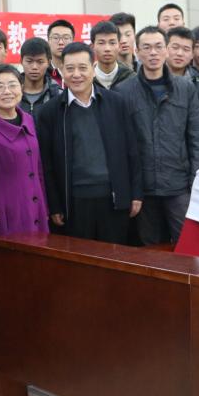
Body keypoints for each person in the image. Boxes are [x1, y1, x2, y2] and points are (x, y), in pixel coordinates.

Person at [0, 64, 49, 339]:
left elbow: (38, 169)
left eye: (13, 85)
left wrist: (45, 209)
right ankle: (3, 336)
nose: (7, 91)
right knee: (5, 280)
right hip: (4, 216)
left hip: (34, 212)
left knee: (33, 276)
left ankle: (31, 331)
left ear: (21, 88)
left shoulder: (28, 120)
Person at [36, 42, 142, 244]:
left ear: (93, 69)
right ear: (62, 71)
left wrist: (136, 193)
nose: (76, 74)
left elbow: (132, 151)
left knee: (113, 256)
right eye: (70, 68)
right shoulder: (50, 112)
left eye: (82, 68)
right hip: (74, 202)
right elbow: (47, 165)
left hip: (113, 198)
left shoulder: (116, 103)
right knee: (80, 258)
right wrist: (55, 205)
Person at [117, 28, 199, 245]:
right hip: (143, 189)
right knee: (151, 249)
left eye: (158, 47)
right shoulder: (123, 91)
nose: (153, 53)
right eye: (146, 47)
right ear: (137, 52)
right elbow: (120, 145)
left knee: (187, 245)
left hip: (179, 185)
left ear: (166, 50)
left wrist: (196, 181)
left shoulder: (185, 88)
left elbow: (198, 138)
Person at [166, 27, 199, 164]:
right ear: (165, 48)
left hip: (188, 163)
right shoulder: (152, 82)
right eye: (175, 47)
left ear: (192, 54)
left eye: (186, 49)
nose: (179, 53)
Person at [91, 20, 134, 89]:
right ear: (92, 47)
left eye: (112, 43)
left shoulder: (131, 78)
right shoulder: (86, 79)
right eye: (101, 43)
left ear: (119, 46)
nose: (107, 49)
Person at [46, 19, 75, 86]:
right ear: (48, 41)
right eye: (56, 38)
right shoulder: (42, 72)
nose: (61, 42)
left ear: (72, 42)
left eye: (66, 38)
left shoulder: (78, 72)